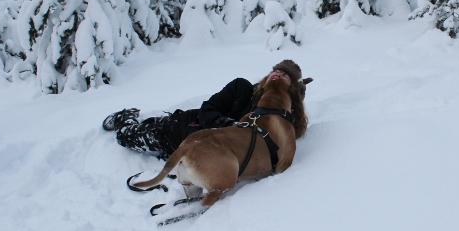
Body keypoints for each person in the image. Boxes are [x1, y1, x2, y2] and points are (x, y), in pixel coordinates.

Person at [103, 60, 310, 160]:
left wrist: (295, 100)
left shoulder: (279, 118)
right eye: (275, 70)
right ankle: (126, 118)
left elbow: (293, 133)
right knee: (127, 138)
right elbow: (208, 110)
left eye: (284, 75)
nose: (277, 74)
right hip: (186, 128)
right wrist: (230, 127)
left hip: (204, 152)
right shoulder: (242, 88)